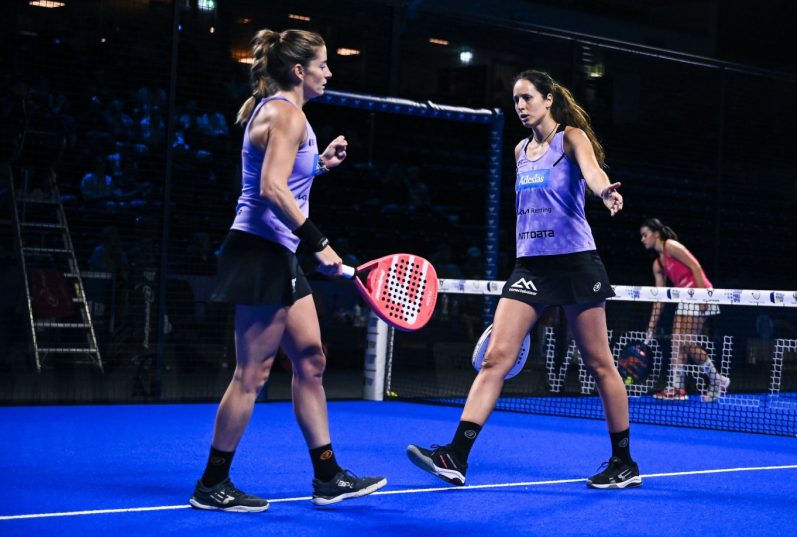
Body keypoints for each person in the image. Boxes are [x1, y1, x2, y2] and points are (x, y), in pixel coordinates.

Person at [406, 70, 640, 489]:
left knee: (600, 363)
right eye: (515, 100)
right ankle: (456, 454)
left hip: (576, 263)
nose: (521, 106)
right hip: (530, 267)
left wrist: (605, 193)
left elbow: (592, 172)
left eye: (528, 98)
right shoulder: (519, 150)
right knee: (496, 358)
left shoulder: (570, 138)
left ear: (548, 99)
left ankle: (623, 462)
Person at [190, 29, 385, 513]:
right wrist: (319, 244)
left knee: (312, 358)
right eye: (323, 64)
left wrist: (317, 166)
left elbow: (285, 180)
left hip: (276, 251)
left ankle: (327, 475)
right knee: (251, 374)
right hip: (260, 250)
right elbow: (271, 189)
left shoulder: (284, 115)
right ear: (300, 71)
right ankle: (212, 484)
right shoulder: (286, 113)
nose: (329, 72)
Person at [639, 218, 729, 402]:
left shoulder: (670, 245)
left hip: (699, 291)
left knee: (686, 342)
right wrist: (651, 326)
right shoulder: (658, 265)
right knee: (677, 341)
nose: (642, 239)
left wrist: (702, 296)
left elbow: (695, 266)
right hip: (685, 297)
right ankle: (678, 389)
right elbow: (660, 298)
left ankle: (717, 379)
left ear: (656, 234)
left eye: (645, 235)